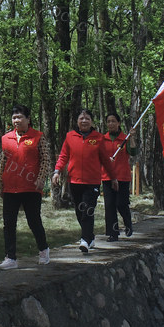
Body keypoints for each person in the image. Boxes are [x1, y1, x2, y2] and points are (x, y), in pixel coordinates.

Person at [51, 108, 114, 253]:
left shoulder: (98, 138)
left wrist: (113, 178)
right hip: (74, 181)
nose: (84, 121)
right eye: (81, 118)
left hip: (92, 182)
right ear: (77, 121)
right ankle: (90, 237)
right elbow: (63, 156)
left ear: (92, 122)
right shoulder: (70, 136)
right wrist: (57, 171)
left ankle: (85, 239)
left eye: (87, 119)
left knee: (87, 210)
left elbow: (105, 159)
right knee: (80, 211)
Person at [0, 104, 51, 270]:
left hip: (31, 186)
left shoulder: (38, 137)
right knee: (9, 222)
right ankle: (10, 257)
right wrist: (1, 182)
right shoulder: (6, 138)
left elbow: (45, 159)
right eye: (14, 117)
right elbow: (4, 161)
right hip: (10, 187)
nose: (16, 120)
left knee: (33, 220)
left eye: (20, 117)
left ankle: (43, 250)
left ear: (28, 119)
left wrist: (41, 178)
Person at [102, 112, 135, 241]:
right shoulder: (102, 139)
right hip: (107, 177)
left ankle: (128, 224)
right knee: (109, 205)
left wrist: (131, 138)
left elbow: (133, 152)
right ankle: (113, 233)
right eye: (108, 121)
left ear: (118, 123)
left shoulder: (124, 139)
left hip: (122, 176)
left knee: (121, 204)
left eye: (113, 121)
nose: (111, 124)